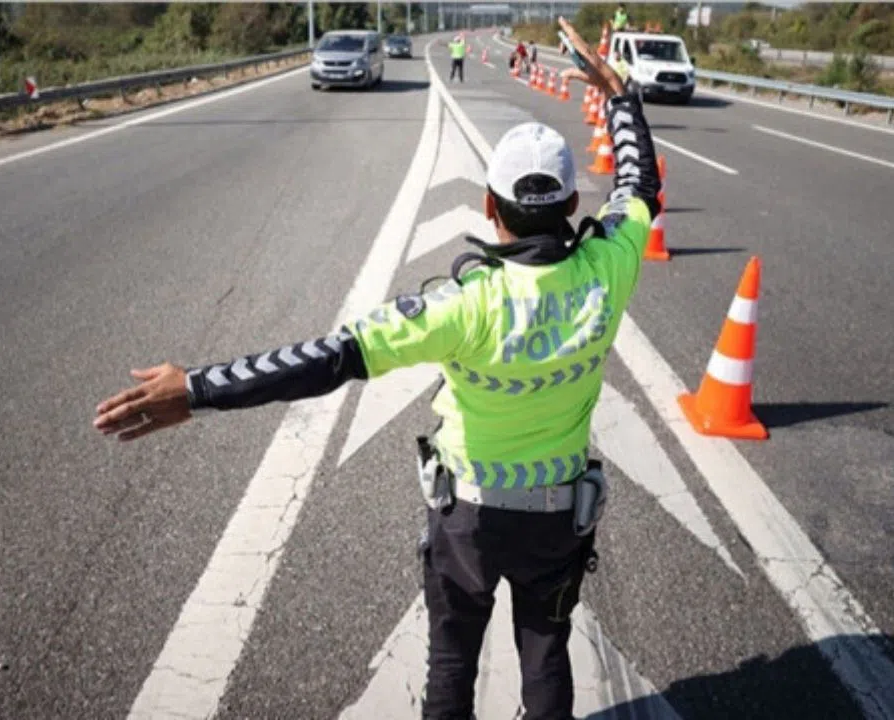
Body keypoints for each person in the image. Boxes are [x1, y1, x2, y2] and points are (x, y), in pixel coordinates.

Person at [92, 15, 661, 720]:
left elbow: (325, 360)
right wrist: (621, 97)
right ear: (574, 205)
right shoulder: (611, 266)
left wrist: (199, 389)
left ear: (489, 207)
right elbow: (640, 183)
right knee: (546, 654)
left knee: (452, 663)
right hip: (557, 516)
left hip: (469, 521)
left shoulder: (460, 307)